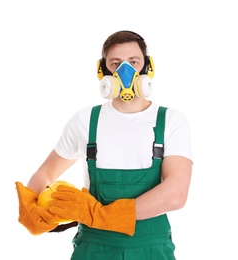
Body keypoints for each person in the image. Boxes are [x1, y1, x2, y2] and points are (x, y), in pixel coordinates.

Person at [15, 30, 193, 259]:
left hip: (151, 249)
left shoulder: (170, 120)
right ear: (103, 70)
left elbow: (176, 193)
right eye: (116, 63)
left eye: (134, 62)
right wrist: (31, 207)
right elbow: (46, 173)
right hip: (93, 248)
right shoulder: (86, 120)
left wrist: (100, 215)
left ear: (148, 67)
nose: (125, 71)